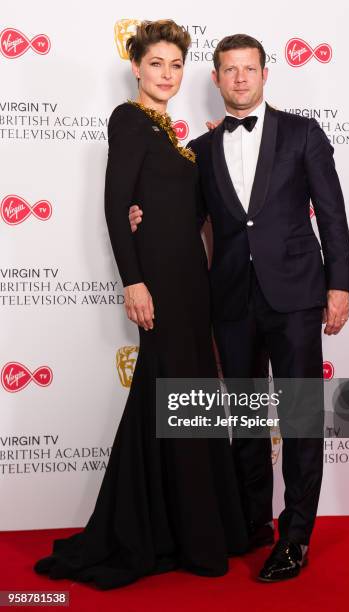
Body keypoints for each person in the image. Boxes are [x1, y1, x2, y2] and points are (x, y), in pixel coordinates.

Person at [32, 20, 249, 591]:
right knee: (173, 393)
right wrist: (134, 282)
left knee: (180, 397)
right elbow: (114, 206)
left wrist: (210, 151)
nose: (167, 74)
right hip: (160, 283)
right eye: (156, 63)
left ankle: (182, 527)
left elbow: (189, 210)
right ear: (135, 67)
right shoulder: (129, 121)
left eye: (176, 65)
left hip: (191, 283)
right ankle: (171, 532)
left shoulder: (171, 133)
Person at [129, 33, 349, 582]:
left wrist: (339, 285)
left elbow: (333, 212)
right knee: (247, 419)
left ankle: (295, 537)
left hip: (297, 297)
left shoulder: (302, 132)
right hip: (230, 299)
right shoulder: (201, 152)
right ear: (216, 78)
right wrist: (140, 217)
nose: (240, 79)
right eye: (229, 70)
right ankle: (253, 522)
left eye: (249, 69)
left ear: (264, 73)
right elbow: (183, 217)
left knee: (299, 421)